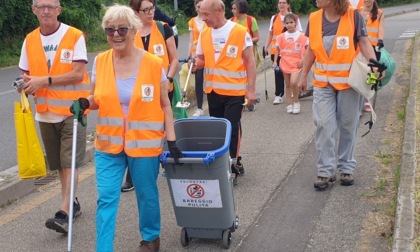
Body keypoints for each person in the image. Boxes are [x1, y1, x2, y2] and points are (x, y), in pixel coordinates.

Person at [83, 4, 182, 251]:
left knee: (146, 195)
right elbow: (96, 98)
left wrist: (172, 141)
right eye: (109, 30)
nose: (115, 35)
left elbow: (165, 105)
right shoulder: (101, 61)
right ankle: (103, 248)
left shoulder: (152, 63)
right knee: (106, 198)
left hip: (144, 144)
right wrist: (84, 103)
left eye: (122, 29)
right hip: (108, 144)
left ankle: (150, 237)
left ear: (134, 30)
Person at [18, 0, 90, 233]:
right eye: (41, 6)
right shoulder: (29, 39)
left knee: (69, 163)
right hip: (45, 112)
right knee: (59, 165)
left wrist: (44, 81)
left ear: (59, 10)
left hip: (73, 110)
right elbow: (26, 73)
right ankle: (73, 203)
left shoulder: (74, 35)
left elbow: (78, 74)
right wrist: (23, 83)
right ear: (33, 10)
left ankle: (64, 212)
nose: (46, 11)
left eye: (51, 6)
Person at [298, 0, 379, 190]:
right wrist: (303, 76)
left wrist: (375, 64)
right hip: (322, 83)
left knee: (348, 125)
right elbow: (311, 50)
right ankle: (325, 171)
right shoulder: (315, 18)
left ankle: (346, 167)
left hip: (348, 82)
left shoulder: (353, 15)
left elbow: (364, 42)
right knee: (324, 125)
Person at [192, 0, 257, 184]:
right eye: (200, 13)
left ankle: (232, 167)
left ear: (220, 10)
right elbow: (202, 59)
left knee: (231, 128)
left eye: (206, 14)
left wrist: (251, 90)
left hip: (235, 92)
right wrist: (195, 63)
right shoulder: (204, 32)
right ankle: (223, 163)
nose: (203, 18)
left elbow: (250, 61)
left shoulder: (238, 31)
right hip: (213, 91)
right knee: (219, 131)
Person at [120, 0, 179, 192]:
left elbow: (174, 59)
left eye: (152, 9)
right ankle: (132, 175)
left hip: (162, 89)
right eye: (146, 10)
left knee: (159, 127)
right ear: (135, 12)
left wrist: (168, 79)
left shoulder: (164, 29)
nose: (150, 12)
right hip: (136, 93)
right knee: (134, 129)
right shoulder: (129, 32)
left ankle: (161, 161)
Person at [264, 0, 303, 105]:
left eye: (283, 2)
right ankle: (278, 94)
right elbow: (270, 34)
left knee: (291, 73)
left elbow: (300, 35)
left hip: (291, 52)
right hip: (275, 51)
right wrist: (266, 46)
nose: (281, 5)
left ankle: (292, 91)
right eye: (279, 3)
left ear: (288, 5)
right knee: (278, 73)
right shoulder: (274, 18)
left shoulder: (295, 17)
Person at [273, 13, 308, 115]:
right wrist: (275, 61)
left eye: (291, 22)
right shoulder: (281, 37)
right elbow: (277, 50)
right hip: (285, 62)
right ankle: (289, 104)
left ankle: (296, 102)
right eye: (287, 23)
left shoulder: (302, 36)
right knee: (288, 84)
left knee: (293, 82)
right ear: (284, 24)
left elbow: (308, 49)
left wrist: (304, 59)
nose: (289, 25)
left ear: (295, 23)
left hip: (296, 63)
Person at [359, 0, 385, 112]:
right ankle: (360, 101)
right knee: (362, 74)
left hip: (374, 48)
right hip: (361, 47)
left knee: (372, 75)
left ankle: (367, 99)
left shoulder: (379, 13)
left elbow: (381, 28)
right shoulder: (358, 13)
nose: (367, 1)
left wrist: (380, 40)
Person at [188, 0, 207, 117]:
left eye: (201, 6)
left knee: (210, 80)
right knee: (198, 80)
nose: (199, 8)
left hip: (208, 54)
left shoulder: (208, 20)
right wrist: (189, 57)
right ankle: (199, 107)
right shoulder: (192, 21)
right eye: (197, 6)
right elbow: (191, 41)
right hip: (196, 55)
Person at [231, 0, 262, 69]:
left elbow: (257, 37)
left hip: (248, 53)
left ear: (241, 9)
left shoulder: (251, 20)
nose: (232, 11)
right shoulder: (231, 20)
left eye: (234, 9)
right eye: (232, 8)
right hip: (235, 54)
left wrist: (245, 41)